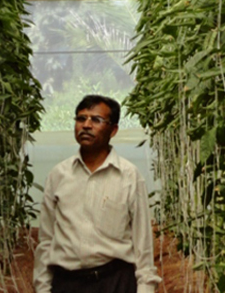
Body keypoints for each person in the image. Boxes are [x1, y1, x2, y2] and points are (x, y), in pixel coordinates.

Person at [34, 95, 160, 293]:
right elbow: (46, 240)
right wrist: (42, 287)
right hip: (67, 283)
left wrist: (145, 288)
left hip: (115, 282)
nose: (86, 125)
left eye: (96, 120)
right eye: (81, 118)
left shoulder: (129, 177)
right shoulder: (58, 175)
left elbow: (142, 244)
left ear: (114, 130)